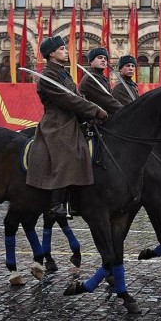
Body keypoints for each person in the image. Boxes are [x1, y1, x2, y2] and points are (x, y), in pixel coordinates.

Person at [26, 36, 108, 218]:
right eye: (62, 48)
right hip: (57, 123)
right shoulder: (47, 76)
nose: (66, 51)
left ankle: (78, 199)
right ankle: (56, 204)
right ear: (51, 54)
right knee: (67, 152)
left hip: (72, 120)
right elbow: (67, 100)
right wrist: (95, 109)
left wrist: (93, 112)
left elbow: (78, 96)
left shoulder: (64, 73)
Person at [79, 47, 123, 115]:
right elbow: (106, 100)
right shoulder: (91, 78)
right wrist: (125, 110)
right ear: (91, 61)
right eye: (99, 57)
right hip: (93, 120)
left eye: (105, 58)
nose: (103, 60)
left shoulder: (101, 77)